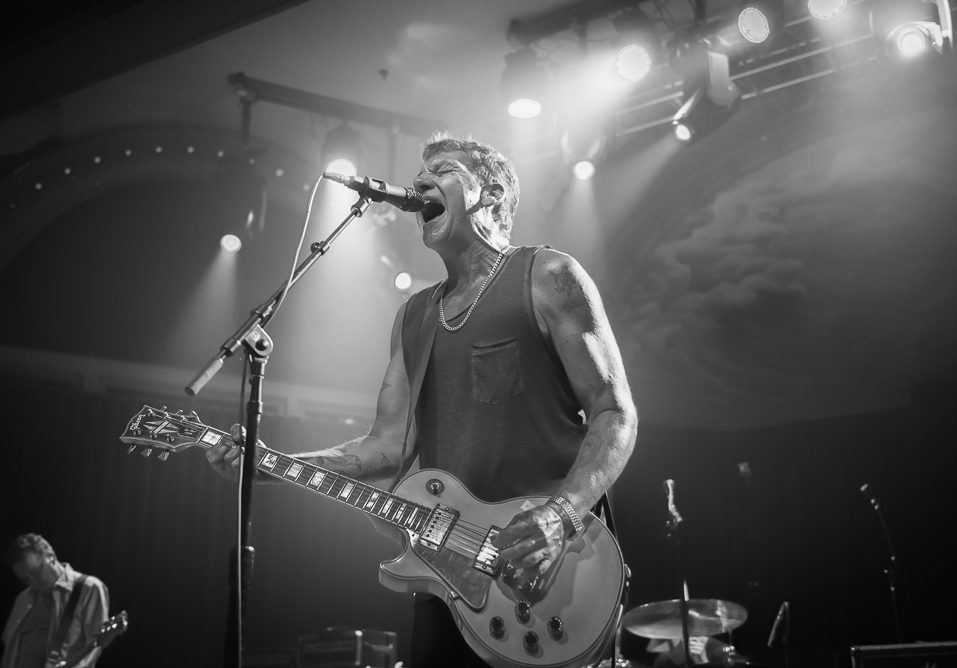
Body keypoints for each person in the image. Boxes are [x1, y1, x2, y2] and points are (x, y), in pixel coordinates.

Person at [206, 134, 638, 667]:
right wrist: (266, 463)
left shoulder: (548, 275)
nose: (419, 184)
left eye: (444, 170)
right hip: (448, 572)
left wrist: (561, 515)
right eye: (419, 176)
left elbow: (613, 411)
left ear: (492, 194)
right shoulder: (414, 317)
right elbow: (385, 448)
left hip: (549, 559)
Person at [2, 534, 109, 668]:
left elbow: (95, 645)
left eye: (35, 572)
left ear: (50, 556)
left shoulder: (88, 588)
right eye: (26, 579)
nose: (33, 582)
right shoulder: (23, 598)